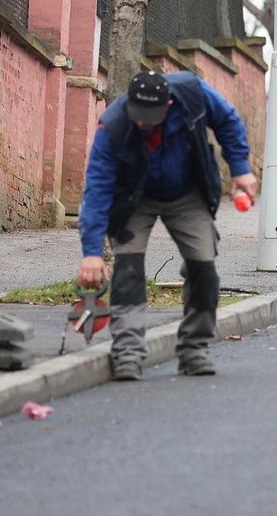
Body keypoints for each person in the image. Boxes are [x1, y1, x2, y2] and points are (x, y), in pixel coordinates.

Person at [77, 70, 256, 380]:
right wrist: (91, 253)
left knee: (204, 267)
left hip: (186, 192)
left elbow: (228, 121)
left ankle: (193, 350)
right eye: (139, 115)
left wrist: (240, 168)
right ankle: (127, 354)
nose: (144, 122)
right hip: (134, 198)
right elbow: (97, 190)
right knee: (128, 269)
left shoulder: (191, 95)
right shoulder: (114, 126)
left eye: (152, 116)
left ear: (169, 104)